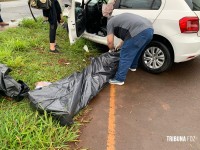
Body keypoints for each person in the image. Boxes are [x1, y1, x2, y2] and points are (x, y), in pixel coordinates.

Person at [107, 13, 154, 85]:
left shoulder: (110, 22)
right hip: (149, 30)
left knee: (125, 54)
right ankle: (133, 66)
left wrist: (112, 50)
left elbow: (110, 42)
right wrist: (120, 44)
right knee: (137, 50)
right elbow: (128, 31)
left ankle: (119, 79)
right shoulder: (120, 18)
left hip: (139, 32)